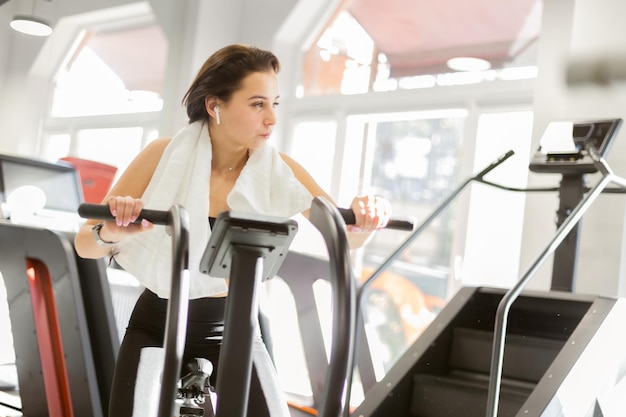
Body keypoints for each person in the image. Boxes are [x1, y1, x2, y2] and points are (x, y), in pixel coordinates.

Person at [74, 44, 392, 417]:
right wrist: (113, 232)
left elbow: (347, 234)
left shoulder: (279, 170)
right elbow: (85, 244)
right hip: (155, 325)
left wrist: (367, 216)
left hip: (233, 328)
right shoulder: (162, 155)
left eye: (275, 104)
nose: (271, 119)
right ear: (215, 106)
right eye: (258, 104)